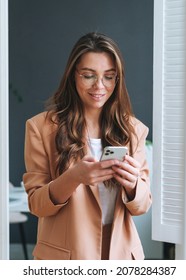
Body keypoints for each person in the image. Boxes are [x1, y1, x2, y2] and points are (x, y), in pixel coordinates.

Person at [23, 32, 151, 260]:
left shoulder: (133, 130)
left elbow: (141, 206)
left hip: (120, 254)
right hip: (68, 257)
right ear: (73, 75)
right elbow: (37, 205)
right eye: (89, 76)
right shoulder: (40, 128)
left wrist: (133, 186)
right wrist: (74, 177)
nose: (99, 86)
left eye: (109, 77)